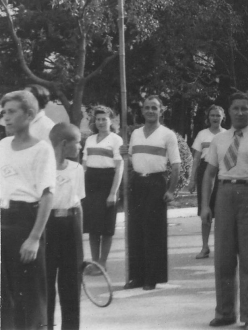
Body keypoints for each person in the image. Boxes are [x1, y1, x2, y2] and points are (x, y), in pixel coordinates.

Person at [200, 92, 248, 329]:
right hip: (224, 195)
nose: (240, 112)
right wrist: (205, 205)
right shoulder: (220, 140)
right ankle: (225, 313)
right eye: (236, 108)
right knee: (223, 258)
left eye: (245, 108)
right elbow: (209, 174)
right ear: (230, 110)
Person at [0, 90, 56, 330]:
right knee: (6, 295)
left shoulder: (41, 149)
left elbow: (47, 195)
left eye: (12, 112)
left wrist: (34, 238)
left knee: (30, 294)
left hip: (27, 221)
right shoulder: (2, 145)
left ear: (30, 114)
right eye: (3, 113)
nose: (6, 118)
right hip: (4, 218)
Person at [119, 96, 181, 290]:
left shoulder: (167, 135)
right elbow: (130, 158)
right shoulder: (136, 133)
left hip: (156, 183)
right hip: (137, 182)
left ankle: (151, 278)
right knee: (135, 230)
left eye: (154, 108)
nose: (150, 111)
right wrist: (123, 153)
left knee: (153, 232)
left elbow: (177, 165)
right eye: (147, 107)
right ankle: (136, 277)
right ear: (142, 110)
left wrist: (171, 190)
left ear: (161, 110)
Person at [46, 123, 85, 330]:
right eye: (77, 143)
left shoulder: (77, 169)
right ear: (64, 144)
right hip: (48, 226)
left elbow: (78, 205)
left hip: (71, 226)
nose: (80, 147)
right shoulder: (43, 169)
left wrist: (80, 240)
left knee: (71, 283)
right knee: (46, 281)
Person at [82, 106, 123, 272]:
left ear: (111, 121)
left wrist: (113, 193)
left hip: (107, 183)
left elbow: (119, 168)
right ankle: (95, 262)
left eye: (103, 119)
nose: (100, 122)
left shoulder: (116, 140)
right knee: (92, 227)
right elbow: (84, 166)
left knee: (106, 228)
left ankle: (102, 263)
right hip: (90, 184)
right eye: (97, 119)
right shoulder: (90, 140)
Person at [188, 105, 226, 259]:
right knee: (205, 211)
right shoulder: (202, 134)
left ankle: (222, 248)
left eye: (218, 115)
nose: (215, 118)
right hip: (205, 171)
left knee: (222, 212)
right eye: (212, 115)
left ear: (223, 117)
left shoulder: (228, 134)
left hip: (222, 171)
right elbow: (196, 158)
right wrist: (192, 180)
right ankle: (205, 247)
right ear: (208, 117)